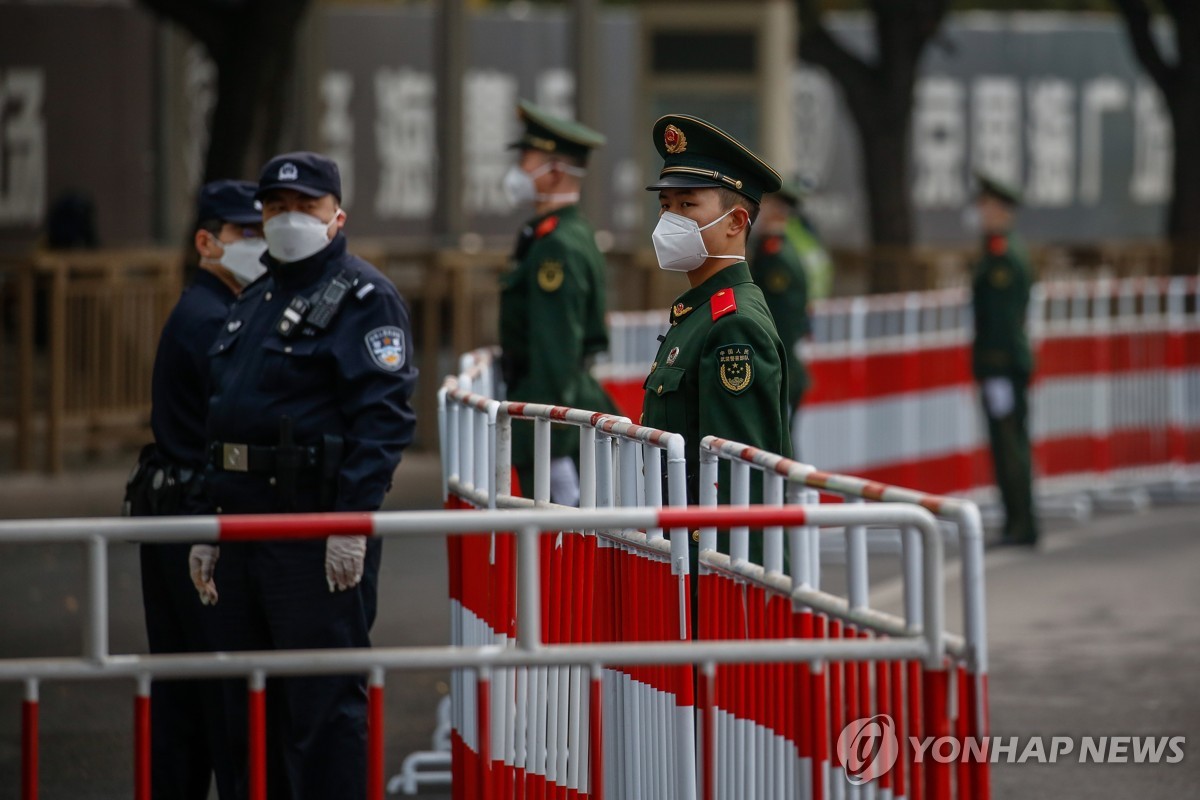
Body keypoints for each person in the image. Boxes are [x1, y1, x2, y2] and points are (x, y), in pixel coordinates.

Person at [187, 152, 417, 797]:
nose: (289, 220)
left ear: (336, 216)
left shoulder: (363, 298)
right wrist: (212, 521)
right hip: (243, 531)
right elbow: (223, 419)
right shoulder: (255, 297)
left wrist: (350, 523)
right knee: (245, 712)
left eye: (305, 208)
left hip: (314, 534)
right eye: (276, 208)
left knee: (321, 711)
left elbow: (384, 421)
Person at [123, 179, 265, 800]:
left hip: (175, 509)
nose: (259, 245)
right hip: (194, 516)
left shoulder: (216, 309)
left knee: (186, 698)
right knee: (221, 701)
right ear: (207, 241)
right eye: (245, 233)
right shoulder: (213, 318)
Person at [641, 114, 792, 508]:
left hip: (708, 559)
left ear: (736, 222)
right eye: (665, 205)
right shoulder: (699, 312)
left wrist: (721, 570)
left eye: (687, 204)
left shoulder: (734, 325)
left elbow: (740, 482)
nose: (669, 219)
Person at [498, 99, 616, 503]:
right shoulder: (560, 232)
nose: (520, 172)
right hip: (552, 399)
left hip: (550, 407)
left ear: (557, 171)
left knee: (558, 543)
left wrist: (548, 434)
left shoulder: (557, 246)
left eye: (529, 160)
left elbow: (555, 348)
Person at [971, 171, 1039, 546]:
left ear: (1001, 210)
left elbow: (1000, 319)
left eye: (986, 207)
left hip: (1003, 363)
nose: (982, 214)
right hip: (1003, 363)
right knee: (1007, 444)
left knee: (1010, 446)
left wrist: (991, 366)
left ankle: (1022, 524)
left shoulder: (1002, 255)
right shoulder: (1000, 250)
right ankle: (1017, 521)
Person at [751, 180, 813, 458]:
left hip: (779, 369)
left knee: (778, 450)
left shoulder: (777, 258)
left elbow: (782, 324)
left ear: (776, 210)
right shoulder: (770, 250)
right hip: (780, 367)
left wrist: (772, 369)